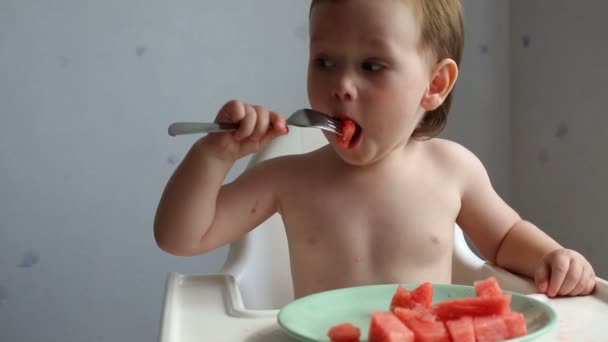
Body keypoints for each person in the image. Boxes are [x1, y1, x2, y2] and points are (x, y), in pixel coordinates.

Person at [154, 0, 596, 299]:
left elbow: (503, 239)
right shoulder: (287, 180)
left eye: (372, 66)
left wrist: (553, 258)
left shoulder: (452, 170)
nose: (341, 87)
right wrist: (215, 155)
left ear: (435, 85)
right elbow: (181, 237)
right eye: (324, 61)